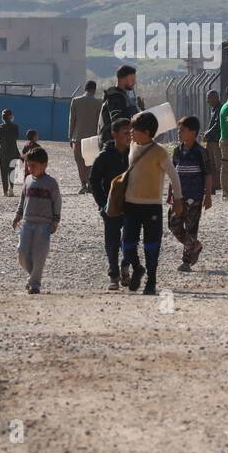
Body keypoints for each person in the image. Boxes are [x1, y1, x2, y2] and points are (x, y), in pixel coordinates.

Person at [120, 110, 183, 296]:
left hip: (151, 207)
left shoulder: (159, 152)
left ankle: (151, 281)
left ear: (147, 132)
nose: (131, 132)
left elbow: (174, 176)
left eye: (135, 129)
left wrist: (178, 199)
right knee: (128, 245)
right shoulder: (131, 145)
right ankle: (137, 268)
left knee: (151, 245)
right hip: (130, 204)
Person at [89, 117, 132, 290]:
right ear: (114, 135)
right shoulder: (104, 156)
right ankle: (113, 274)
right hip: (111, 206)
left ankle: (125, 266)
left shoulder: (134, 154)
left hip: (131, 204)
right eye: (124, 133)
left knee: (130, 239)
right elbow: (94, 180)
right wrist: (102, 203)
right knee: (112, 240)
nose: (129, 136)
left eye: (130, 133)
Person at [12, 146, 61, 295]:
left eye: (33, 165)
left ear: (44, 165)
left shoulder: (51, 183)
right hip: (27, 223)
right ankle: (33, 275)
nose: (30, 168)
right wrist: (17, 216)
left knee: (39, 255)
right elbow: (22, 200)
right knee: (22, 253)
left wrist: (55, 221)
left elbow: (57, 202)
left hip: (44, 225)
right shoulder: (27, 180)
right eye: (28, 165)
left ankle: (34, 284)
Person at [169, 116, 214, 272]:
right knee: (173, 225)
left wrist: (208, 196)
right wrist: (170, 193)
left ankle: (186, 261)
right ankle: (195, 245)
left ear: (193, 133)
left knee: (191, 228)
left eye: (182, 130)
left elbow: (208, 175)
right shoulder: (177, 151)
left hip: (194, 197)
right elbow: (173, 174)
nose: (179, 132)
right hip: (178, 197)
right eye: (178, 130)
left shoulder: (201, 152)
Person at [69, 80, 102, 194]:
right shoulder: (99, 103)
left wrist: (70, 136)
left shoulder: (76, 101)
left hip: (77, 137)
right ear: (94, 89)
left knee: (80, 162)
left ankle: (83, 184)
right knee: (91, 162)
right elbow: (100, 123)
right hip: (93, 138)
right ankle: (90, 184)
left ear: (85, 88)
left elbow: (72, 120)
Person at [98, 65, 142, 145]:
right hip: (112, 144)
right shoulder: (114, 96)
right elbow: (117, 121)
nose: (134, 82)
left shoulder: (122, 95)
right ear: (123, 79)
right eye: (132, 79)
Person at [0, 109, 21, 197]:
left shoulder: (0, 127)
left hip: (3, 152)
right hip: (13, 151)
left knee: (4, 172)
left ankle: (5, 191)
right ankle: (11, 189)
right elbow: (16, 137)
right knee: (12, 171)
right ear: (10, 116)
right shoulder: (15, 127)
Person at [204, 89, 223, 195]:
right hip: (212, 140)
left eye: (209, 98)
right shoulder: (215, 109)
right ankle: (213, 185)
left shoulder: (220, 109)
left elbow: (217, 125)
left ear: (215, 98)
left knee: (217, 163)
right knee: (209, 163)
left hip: (215, 140)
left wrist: (207, 134)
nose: (207, 101)